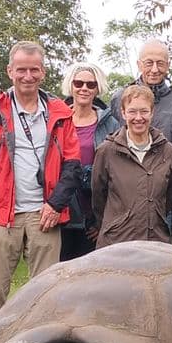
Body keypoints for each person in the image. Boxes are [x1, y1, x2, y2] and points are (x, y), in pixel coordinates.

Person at [0, 41, 80, 333]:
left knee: (46, 296)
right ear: (10, 71)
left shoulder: (60, 112)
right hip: (1, 215)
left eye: (34, 70)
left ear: (43, 72)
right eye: (21, 70)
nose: (28, 76)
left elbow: (72, 165)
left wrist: (56, 204)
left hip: (45, 215)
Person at [92, 84, 172, 248]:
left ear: (152, 112)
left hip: (156, 242)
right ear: (123, 113)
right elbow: (98, 198)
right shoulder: (107, 151)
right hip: (116, 242)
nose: (138, 117)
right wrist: (117, 223)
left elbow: (169, 198)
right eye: (132, 111)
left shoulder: (168, 151)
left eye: (144, 111)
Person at [59, 61, 120, 260]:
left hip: (93, 214)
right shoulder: (56, 120)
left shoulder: (110, 124)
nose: (84, 88)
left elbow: (117, 174)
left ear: (97, 88)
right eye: (78, 83)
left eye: (90, 84)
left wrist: (103, 220)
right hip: (61, 210)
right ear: (71, 86)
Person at [109, 39, 172, 145]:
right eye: (149, 63)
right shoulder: (120, 98)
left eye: (160, 63)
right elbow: (111, 140)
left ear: (168, 65)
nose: (154, 69)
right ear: (139, 64)